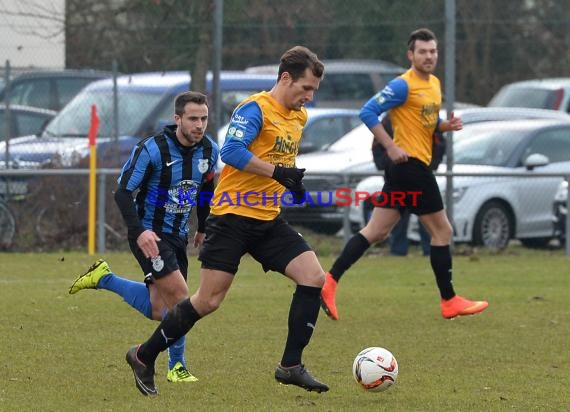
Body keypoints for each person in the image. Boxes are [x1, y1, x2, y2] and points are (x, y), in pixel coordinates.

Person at [123, 46, 329, 397]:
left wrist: (289, 180)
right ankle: (143, 354)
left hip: (267, 220)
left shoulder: (299, 118)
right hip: (232, 217)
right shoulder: (254, 109)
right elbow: (231, 153)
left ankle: (290, 365)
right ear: (285, 78)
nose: (309, 97)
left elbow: (277, 160)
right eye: (305, 88)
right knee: (207, 301)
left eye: (313, 91)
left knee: (313, 277)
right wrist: (279, 171)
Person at [321, 28, 489, 321]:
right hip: (411, 167)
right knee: (443, 231)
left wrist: (442, 126)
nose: (429, 56)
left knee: (376, 231)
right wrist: (390, 145)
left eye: (433, 51)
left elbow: (423, 120)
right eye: (422, 51)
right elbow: (368, 112)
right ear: (411, 55)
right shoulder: (401, 86)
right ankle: (449, 300)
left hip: (404, 171)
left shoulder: (434, 84)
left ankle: (329, 282)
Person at [68, 91, 219, 383]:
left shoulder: (209, 150)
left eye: (204, 118)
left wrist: (203, 225)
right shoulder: (152, 149)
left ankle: (104, 279)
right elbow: (123, 193)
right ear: (177, 119)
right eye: (193, 119)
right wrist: (139, 231)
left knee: (159, 309)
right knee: (182, 300)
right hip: (150, 234)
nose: (199, 125)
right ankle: (175, 366)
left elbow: (207, 188)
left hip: (178, 236)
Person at [373, 115, 445, 256]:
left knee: (427, 217)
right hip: (397, 179)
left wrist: (429, 166)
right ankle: (398, 251)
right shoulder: (389, 121)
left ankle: (430, 250)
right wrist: (390, 164)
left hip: (421, 178)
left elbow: (439, 143)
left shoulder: (426, 117)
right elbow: (377, 147)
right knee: (396, 217)